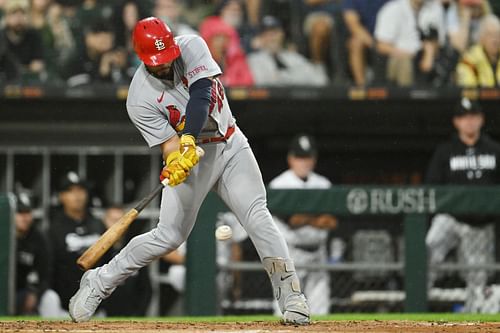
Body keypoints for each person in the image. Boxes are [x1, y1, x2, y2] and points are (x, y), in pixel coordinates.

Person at [69, 17, 310, 325]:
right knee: (168, 236)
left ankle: (291, 297)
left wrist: (188, 139)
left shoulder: (192, 45)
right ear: (141, 59)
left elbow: (201, 95)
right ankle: (99, 281)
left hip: (230, 142)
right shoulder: (138, 98)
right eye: (157, 62)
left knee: (258, 217)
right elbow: (168, 145)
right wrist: (175, 163)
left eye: (168, 56)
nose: (166, 65)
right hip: (191, 155)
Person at [426, 98, 500, 312]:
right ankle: (415, 306)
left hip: (479, 226)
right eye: (463, 117)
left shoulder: (495, 150)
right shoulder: (445, 151)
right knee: (425, 251)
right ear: (456, 122)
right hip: (450, 219)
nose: (469, 122)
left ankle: (471, 321)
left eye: (473, 117)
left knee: (477, 281)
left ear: (481, 120)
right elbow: (431, 188)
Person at [268, 134, 337, 315]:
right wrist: (315, 219)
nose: (304, 162)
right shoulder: (280, 184)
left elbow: (332, 221)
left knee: (321, 312)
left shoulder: (323, 184)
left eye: (307, 157)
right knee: (286, 310)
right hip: (290, 253)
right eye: (299, 157)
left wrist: (305, 218)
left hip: (318, 254)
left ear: (314, 159)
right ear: (290, 159)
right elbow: (292, 220)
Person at [48, 171, 104, 312]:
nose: (77, 196)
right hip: (62, 303)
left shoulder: (98, 224)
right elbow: (49, 266)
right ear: (61, 196)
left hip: (96, 302)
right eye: (70, 191)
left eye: (80, 190)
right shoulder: (54, 228)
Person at [14, 192, 66, 317]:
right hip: (6, 292)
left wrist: (35, 293)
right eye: (20, 213)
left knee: (51, 298)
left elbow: (46, 274)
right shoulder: (4, 234)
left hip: (26, 291)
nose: (24, 217)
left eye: (27, 212)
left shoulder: (39, 238)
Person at [374, 0, 445, 86]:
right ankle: (406, 97)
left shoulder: (435, 8)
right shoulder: (393, 9)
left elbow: (439, 41)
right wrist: (409, 55)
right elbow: (381, 46)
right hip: (398, 57)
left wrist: (429, 52)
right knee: (404, 62)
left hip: (424, 56)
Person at [100, 205, 152, 317]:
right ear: (104, 221)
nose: (117, 225)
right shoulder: (96, 251)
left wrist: (139, 314)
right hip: (100, 314)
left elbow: (146, 287)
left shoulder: (136, 248)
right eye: (113, 220)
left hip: (131, 313)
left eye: (121, 220)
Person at [248, 16, 328, 87]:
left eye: (275, 33)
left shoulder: (294, 57)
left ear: (282, 34)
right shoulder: (253, 60)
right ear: (260, 37)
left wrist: (281, 77)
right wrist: (295, 77)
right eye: (267, 34)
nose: (272, 38)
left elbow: (320, 81)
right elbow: (261, 84)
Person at [342, 0, 389, 86]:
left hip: (389, 37)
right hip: (367, 39)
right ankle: (361, 86)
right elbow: (354, 25)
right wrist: (374, 44)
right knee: (356, 43)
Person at [0, 0, 45, 81]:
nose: (19, 18)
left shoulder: (34, 35)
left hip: (29, 83)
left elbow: (37, 65)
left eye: (23, 13)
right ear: (7, 17)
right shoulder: (1, 36)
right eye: (14, 13)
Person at [456, 14, 500, 87]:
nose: (495, 39)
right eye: (490, 35)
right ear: (481, 38)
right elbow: (468, 88)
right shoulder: (469, 60)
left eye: (497, 35)